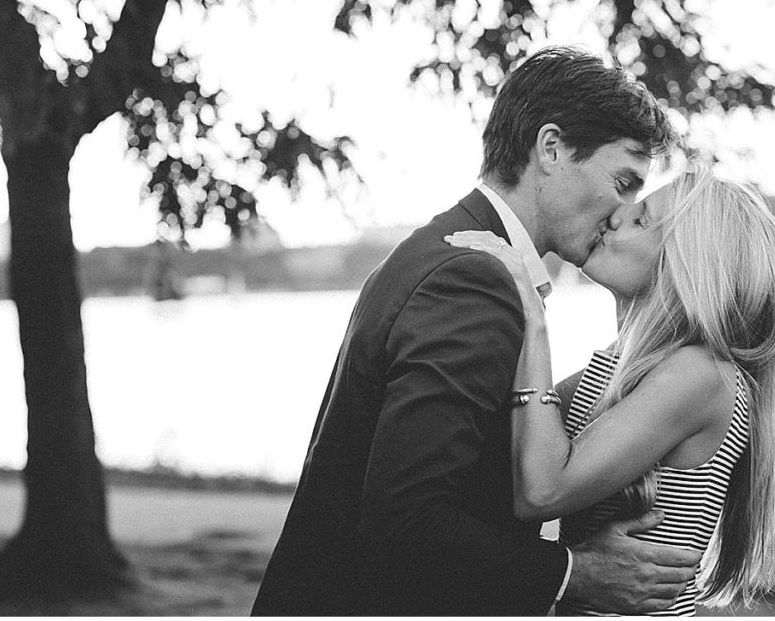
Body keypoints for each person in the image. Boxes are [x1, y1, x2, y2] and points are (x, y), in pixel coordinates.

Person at [251, 45, 702, 616]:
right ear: (552, 148)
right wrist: (576, 574)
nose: (622, 212)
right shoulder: (474, 279)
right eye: (623, 182)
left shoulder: (445, 251)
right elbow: (408, 522)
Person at [445, 163, 775, 615]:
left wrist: (532, 318)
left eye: (641, 218)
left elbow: (542, 491)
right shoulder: (617, 373)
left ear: (688, 263)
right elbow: (504, 452)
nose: (616, 214)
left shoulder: (702, 374)